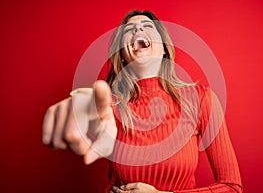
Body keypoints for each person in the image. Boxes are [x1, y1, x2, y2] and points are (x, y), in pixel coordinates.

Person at [42, 10, 242, 193]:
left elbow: (232, 187)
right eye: (128, 30)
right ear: (122, 53)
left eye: (147, 27)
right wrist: (75, 111)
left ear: (164, 47)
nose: (138, 28)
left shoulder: (200, 99)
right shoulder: (109, 107)